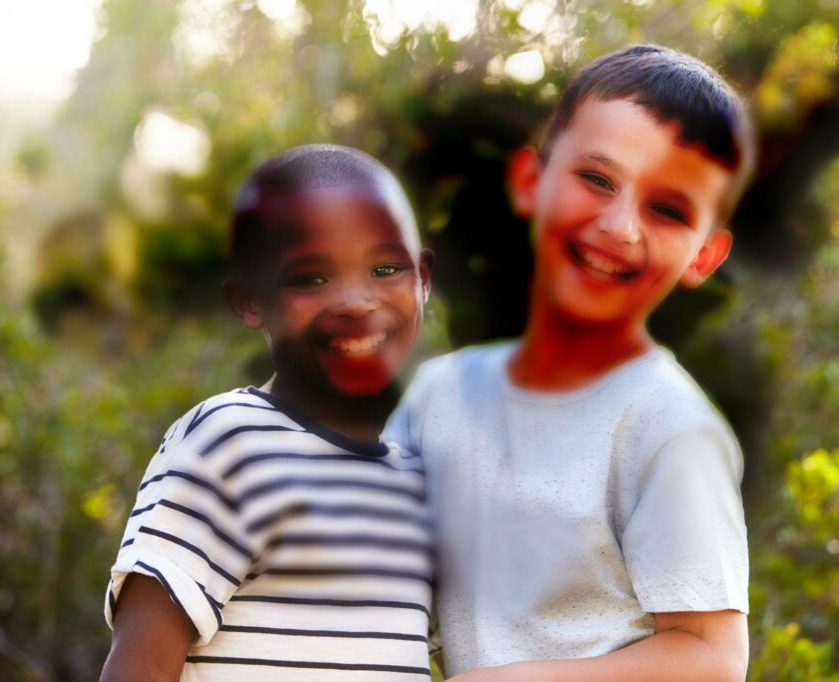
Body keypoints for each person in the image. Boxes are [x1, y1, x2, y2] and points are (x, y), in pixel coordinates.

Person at [385, 45, 756, 681]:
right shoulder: (440, 394)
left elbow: (712, 657)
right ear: (533, 181)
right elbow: (373, 574)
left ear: (704, 256)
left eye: (667, 209)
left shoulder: (667, 424)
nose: (620, 227)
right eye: (597, 179)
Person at [101, 144, 435, 681]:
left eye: (385, 268)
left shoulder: (421, 478)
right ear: (249, 301)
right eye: (311, 277)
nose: (355, 302)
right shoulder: (229, 443)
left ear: (423, 279)